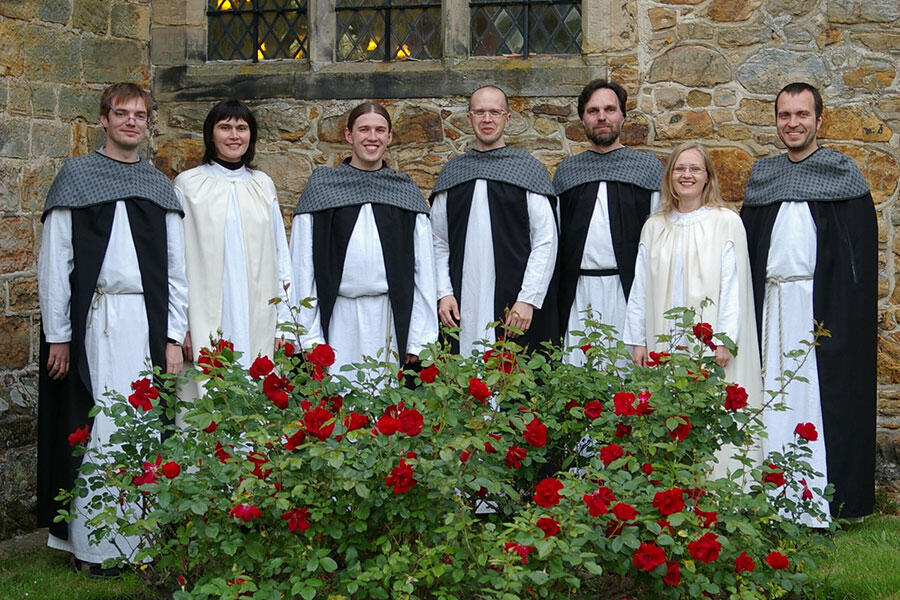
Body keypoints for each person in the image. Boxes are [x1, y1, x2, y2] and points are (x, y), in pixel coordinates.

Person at [36, 83, 188, 575]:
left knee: (142, 425)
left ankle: (142, 542)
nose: (131, 122)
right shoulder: (77, 177)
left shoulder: (159, 185)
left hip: (145, 324)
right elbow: (55, 262)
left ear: (148, 123)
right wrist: (59, 334)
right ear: (103, 119)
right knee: (97, 426)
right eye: (121, 114)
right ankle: (95, 548)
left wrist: (172, 336)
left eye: (140, 115)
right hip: (95, 323)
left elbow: (176, 269)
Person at [742, 82, 876, 524]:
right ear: (776, 120)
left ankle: (828, 497)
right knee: (771, 394)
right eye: (784, 115)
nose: (792, 123)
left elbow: (856, 258)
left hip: (823, 307)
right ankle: (773, 493)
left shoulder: (842, 175)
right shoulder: (764, 177)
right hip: (772, 306)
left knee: (819, 396)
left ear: (820, 120)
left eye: (802, 115)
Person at [623, 142, 762, 477]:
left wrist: (724, 339)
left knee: (709, 409)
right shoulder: (654, 226)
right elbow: (640, 285)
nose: (686, 175)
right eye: (679, 169)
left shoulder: (726, 222)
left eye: (694, 169)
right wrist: (638, 339)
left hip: (709, 342)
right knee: (666, 412)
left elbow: (734, 286)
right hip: (664, 337)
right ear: (670, 176)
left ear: (707, 177)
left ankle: (719, 493)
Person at [290, 101, 437, 378]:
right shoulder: (322, 189)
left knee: (386, 410)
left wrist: (420, 337)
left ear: (390, 137)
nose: (372, 137)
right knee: (339, 408)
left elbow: (424, 272)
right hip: (336, 321)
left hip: (388, 320)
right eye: (364, 129)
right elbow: (302, 267)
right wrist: (307, 337)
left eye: (380, 130)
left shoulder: (404, 192)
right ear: (349, 135)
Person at [431, 85, 558, 357]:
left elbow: (546, 240)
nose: (487, 119)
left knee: (513, 380)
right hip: (460, 302)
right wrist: (443, 293)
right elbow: (438, 241)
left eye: (494, 112)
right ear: (469, 118)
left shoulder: (527, 170)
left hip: (514, 302)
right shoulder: (453, 173)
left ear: (507, 118)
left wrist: (527, 300)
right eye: (479, 112)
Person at [174, 99, 292, 378]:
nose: (234, 135)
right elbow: (175, 261)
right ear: (210, 133)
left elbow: (280, 254)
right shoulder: (188, 185)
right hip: (206, 311)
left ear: (251, 136)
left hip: (257, 310)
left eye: (241, 128)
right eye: (225, 127)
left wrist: (283, 323)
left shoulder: (262, 185)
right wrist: (182, 327)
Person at [553, 80, 662, 364]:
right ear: (583, 119)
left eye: (610, 109)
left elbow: (659, 241)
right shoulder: (567, 172)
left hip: (628, 292)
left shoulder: (647, 169)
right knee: (578, 376)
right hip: (579, 293)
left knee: (627, 381)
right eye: (593, 111)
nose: (602, 117)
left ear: (623, 116)